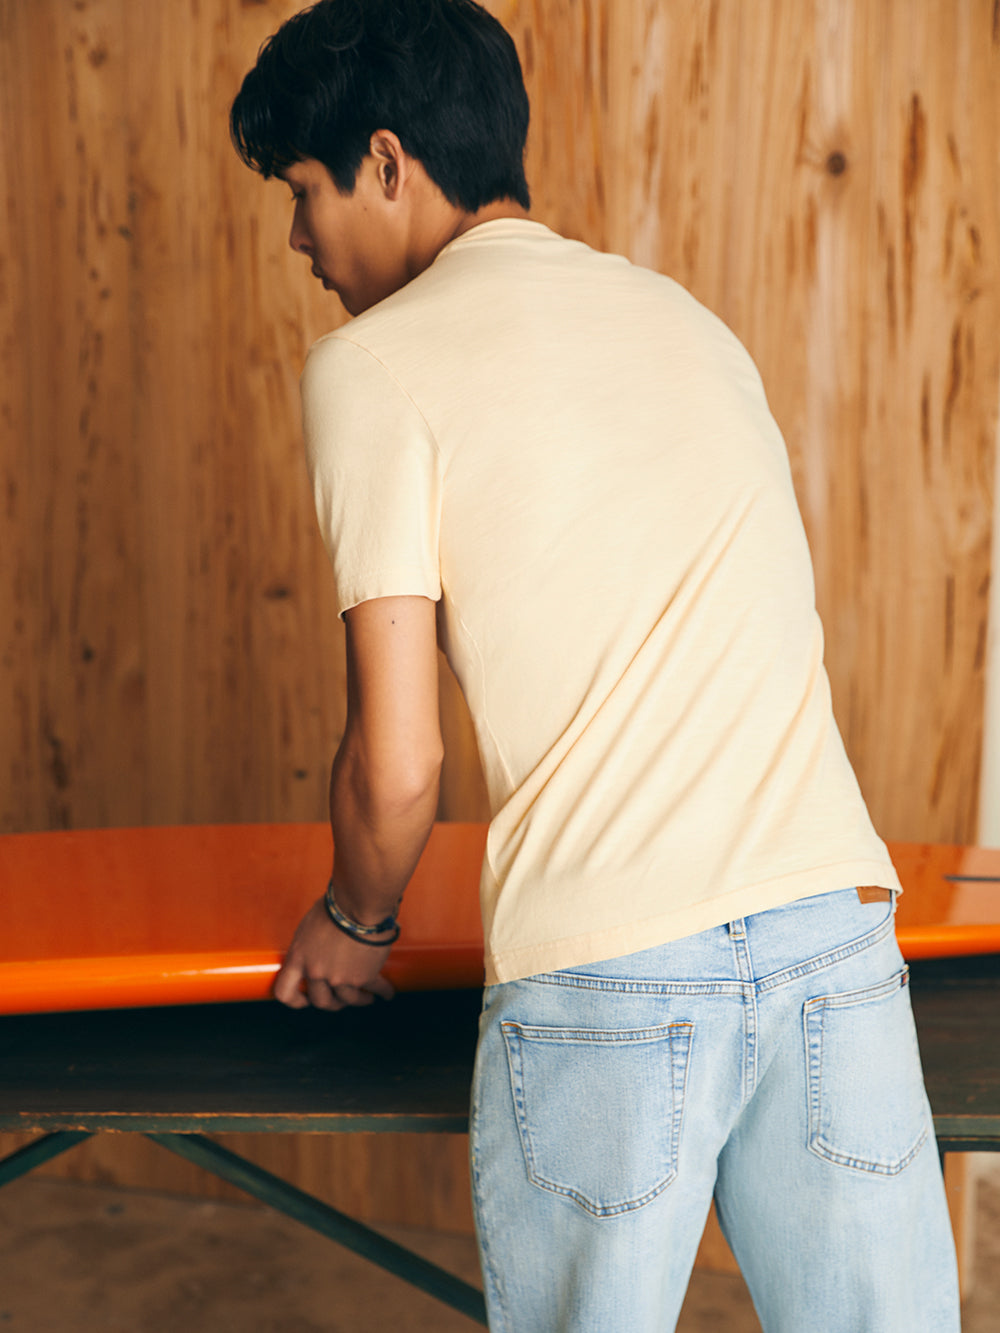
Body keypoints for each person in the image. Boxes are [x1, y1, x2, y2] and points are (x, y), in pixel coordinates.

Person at [230, 3, 960, 1328]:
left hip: (612, 973)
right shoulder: (688, 322)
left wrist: (354, 923)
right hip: (832, 933)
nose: (298, 244)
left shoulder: (373, 365)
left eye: (302, 192)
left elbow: (398, 768)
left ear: (387, 161)